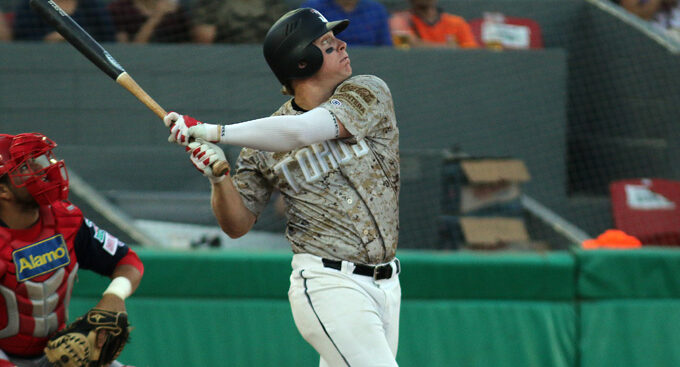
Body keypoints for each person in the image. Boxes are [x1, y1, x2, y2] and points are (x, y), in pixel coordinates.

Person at [165, 8, 401, 366]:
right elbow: (237, 225)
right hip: (328, 283)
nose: (342, 43)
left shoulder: (368, 90)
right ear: (301, 60)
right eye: (326, 43)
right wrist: (218, 178)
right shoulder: (261, 143)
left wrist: (213, 131)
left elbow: (304, 131)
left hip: (388, 283)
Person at [0, 133, 144, 367]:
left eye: (38, 160)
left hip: (59, 354)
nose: (43, 169)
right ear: (2, 191)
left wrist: (114, 296)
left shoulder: (65, 219)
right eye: (25, 166)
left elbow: (128, 262)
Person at [12, 0, 116, 42]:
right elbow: (20, 39)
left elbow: (108, 39)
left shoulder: (93, 7)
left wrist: (80, 39)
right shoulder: (32, 5)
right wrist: (48, 40)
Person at [389, 0, 479, 48]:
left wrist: (419, 44)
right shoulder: (400, 20)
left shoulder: (457, 23)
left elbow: (470, 53)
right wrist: (449, 48)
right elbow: (407, 46)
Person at [300, 0, 393, 46]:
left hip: (372, 66)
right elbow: (306, 47)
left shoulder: (376, 9)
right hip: (328, 68)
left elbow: (386, 48)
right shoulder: (313, 10)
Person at [190, 0, 288, 44]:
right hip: (224, 58)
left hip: (266, 60)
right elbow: (203, 42)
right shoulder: (212, 3)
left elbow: (285, 38)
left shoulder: (273, 4)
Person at [108, 0, 192, 43]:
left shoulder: (176, 11)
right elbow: (129, 51)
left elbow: (188, 47)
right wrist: (156, 16)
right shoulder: (119, 9)